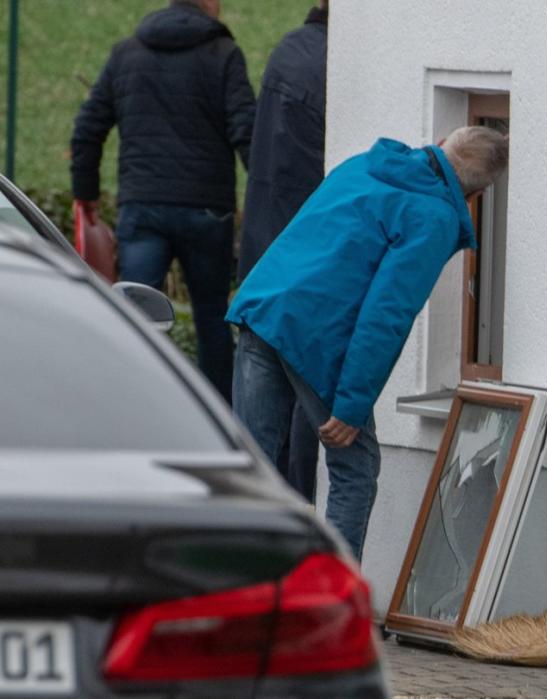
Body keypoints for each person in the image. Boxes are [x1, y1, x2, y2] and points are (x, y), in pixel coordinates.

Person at [227, 127, 509, 559]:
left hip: (263, 310)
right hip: (313, 334)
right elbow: (386, 316)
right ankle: (330, 607)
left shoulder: (366, 165)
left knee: (252, 468)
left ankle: (231, 593)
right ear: (478, 192)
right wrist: (351, 406)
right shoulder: (432, 217)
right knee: (355, 468)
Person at [71, 0, 255, 402]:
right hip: (207, 211)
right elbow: (247, 134)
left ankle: (128, 406)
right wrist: (263, 203)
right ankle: (218, 423)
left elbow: (87, 130)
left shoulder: (127, 53)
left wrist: (85, 196)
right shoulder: (224, 54)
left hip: (143, 208)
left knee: (136, 318)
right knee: (211, 321)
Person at [238, 0, 329, 502]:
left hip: (263, 261)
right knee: (300, 425)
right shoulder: (327, 66)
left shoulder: (290, 52)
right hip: (302, 268)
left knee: (257, 428)